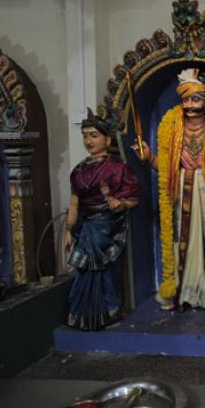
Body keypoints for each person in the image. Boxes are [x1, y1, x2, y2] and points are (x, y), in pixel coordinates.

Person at [134, 68, 205, 310]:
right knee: (180, 238)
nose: (190, 104)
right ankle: (179, 290)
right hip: (180, 189)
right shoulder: (171, 124)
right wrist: (149, 158)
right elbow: (167, 169)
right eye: (187, 98)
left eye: (196, 98)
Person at [65, 108, 140, 330]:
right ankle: (83, 315)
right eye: (85, 135)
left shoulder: (118, 169)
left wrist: (122, 204)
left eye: (94, 135)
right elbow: (74, 203)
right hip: (85, 228)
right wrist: (69, 230)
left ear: (107, 139)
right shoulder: (78, 171)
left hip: (107, 228)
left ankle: (111, 312)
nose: (88, 140)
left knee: (107, 272)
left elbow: (134, 198)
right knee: (83, 272)